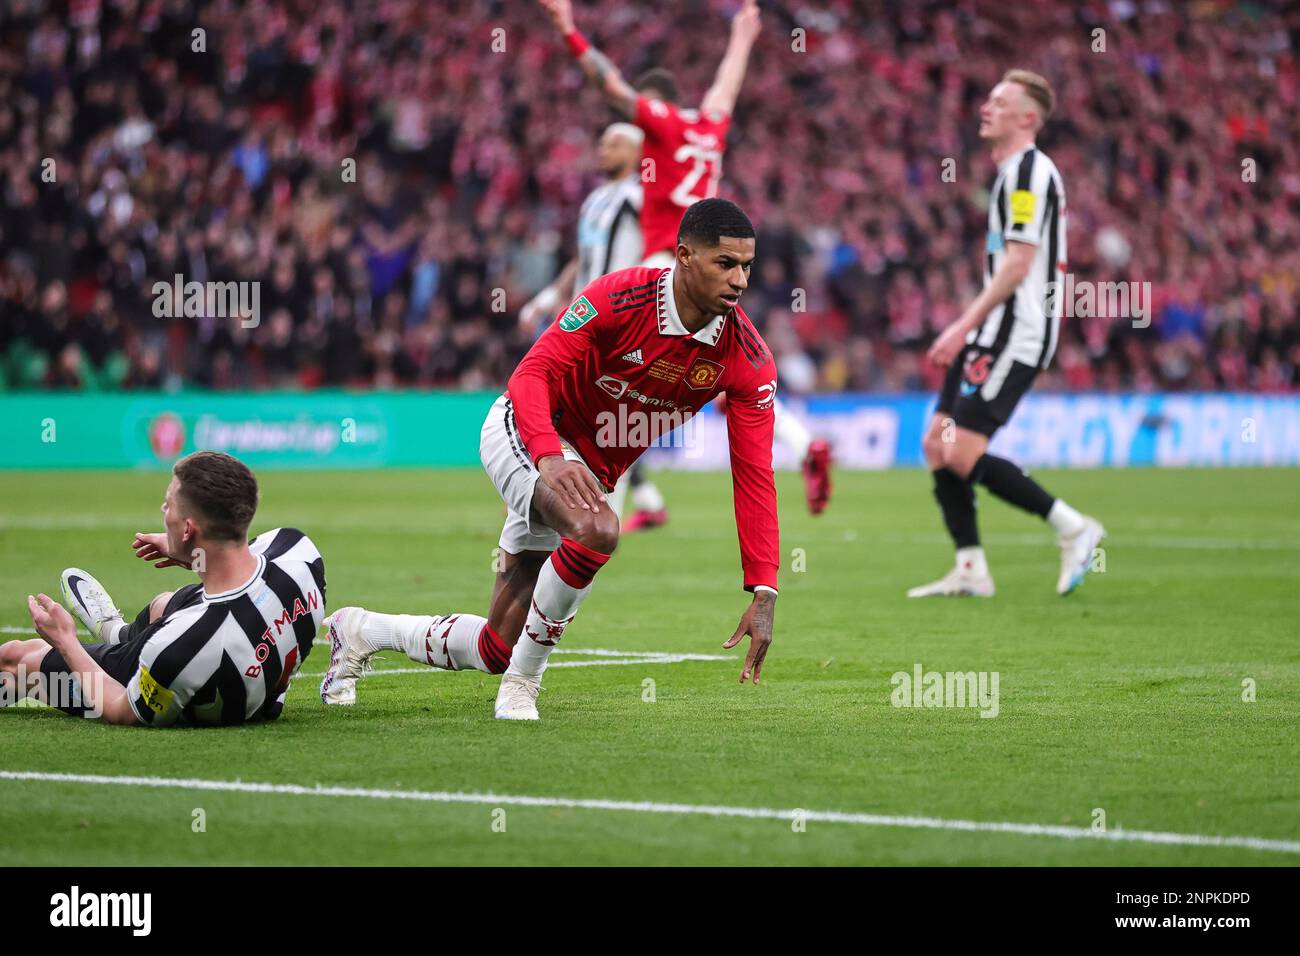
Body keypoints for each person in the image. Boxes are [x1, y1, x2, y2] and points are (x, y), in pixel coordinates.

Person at [322, 198, 779, 720]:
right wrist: (547, 457)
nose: (740, 280)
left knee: (497, 644)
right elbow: (530, 375)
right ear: (683, 256)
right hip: (526, 431)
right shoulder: (620, 297)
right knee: (598, 529)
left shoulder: (746, 356)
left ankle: (360, 630)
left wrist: (764, 587)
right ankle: (523, 685)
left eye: (747, 266)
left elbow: (754, 476)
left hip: (582, 469)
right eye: (726, 264)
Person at [538, 0, 833, 514]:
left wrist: (569, 30)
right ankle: (805, 443)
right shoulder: (710, 129)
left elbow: (609, 87)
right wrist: (742, 37)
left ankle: (599, 500)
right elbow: (726, 89)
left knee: (621, 384)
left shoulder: (665, 125)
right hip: (700, 273)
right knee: (726, 374)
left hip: (668, 270)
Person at [909, 70, 1104, 598]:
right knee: (937, 443)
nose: (986, 108)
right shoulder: (1010, 173)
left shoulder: (1028, 173)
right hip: (992, 330)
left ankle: (1073, 526)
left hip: (1017, 330)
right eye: (988, 98)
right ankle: (971, 568)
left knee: (962, 451)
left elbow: (1019, 265)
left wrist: (959, 325)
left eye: (1000, 101)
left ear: (1028, 117)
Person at [3, 451, 325, 725]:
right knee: (163, 604)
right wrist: (188, 553)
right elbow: (232, 561)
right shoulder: (298, 551)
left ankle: (108, 647)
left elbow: (119, 708)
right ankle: (114, 632)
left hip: (186, 689)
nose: (162, 509)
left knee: (16, 657)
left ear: (188, 528)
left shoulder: (178, 648)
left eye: (168, 504)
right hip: (260, 690)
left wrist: (66, 641)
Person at [520, 121, 671, 531]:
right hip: (585, 319)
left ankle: (586, 516)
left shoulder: (643, 199)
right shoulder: (596, 202)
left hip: (621, 321)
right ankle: (559, 497)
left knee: (601, 417)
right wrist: (549, 298)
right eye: (601, 142)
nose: (604, 149)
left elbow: (663, 251)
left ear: (640, 153)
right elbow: (582, 259)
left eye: (615, 143)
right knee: (574, 409)